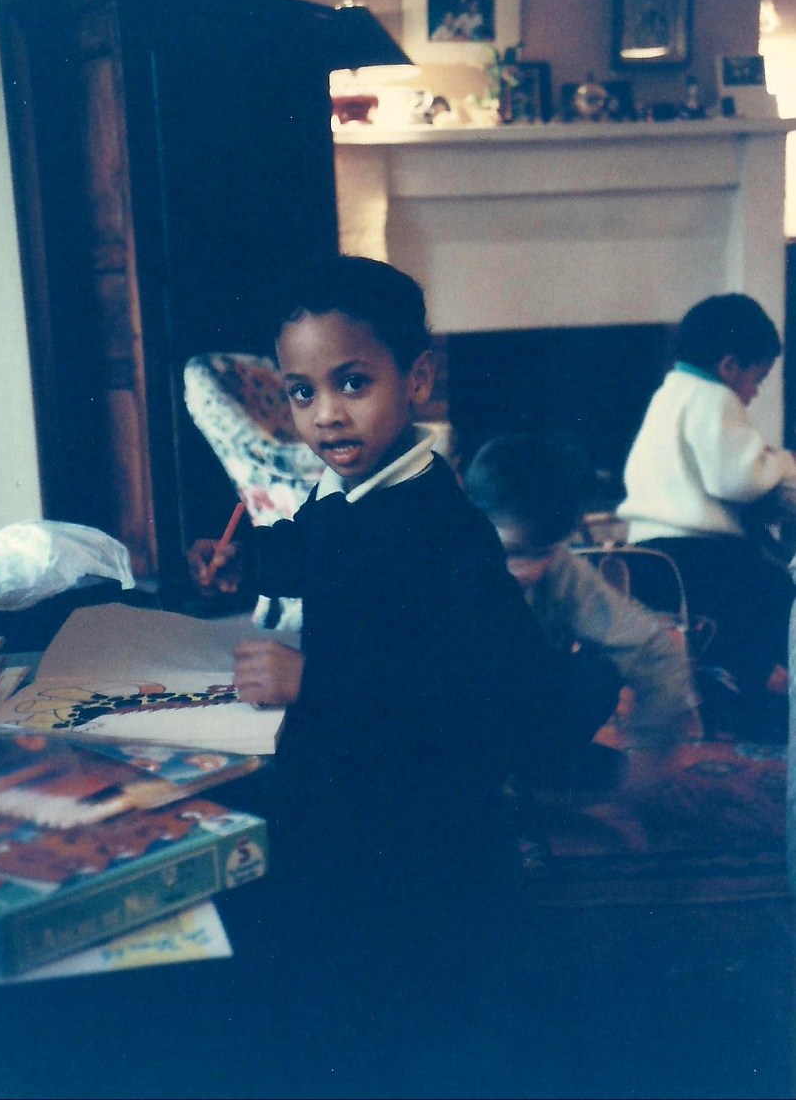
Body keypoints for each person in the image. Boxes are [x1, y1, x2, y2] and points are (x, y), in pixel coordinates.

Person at [190, 256, 553, 1042]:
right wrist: (249, 562)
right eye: (302, 392)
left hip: (421, 814)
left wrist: (313, 679)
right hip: (352, 771)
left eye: (353, 383)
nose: (326, 415)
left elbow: (460, 678)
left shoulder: (437, 522)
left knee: (400, 986)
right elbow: (316, 550)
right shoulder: (347, 488)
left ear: (417, 379)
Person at [463, 431, 702, 793]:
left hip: (514, 717)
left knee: (597, 675)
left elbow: (653, 649)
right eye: (510, 552)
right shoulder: (436, 561)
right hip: (448, 725)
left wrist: (649, 759)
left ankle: (529, 773)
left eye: (540, 554)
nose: (523, 572)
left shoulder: (561, 570)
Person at [616, 292, 796, 739]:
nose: (754, 393)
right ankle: (768, 705)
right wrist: (782, 462)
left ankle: (734, 694)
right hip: (696, 554)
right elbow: (738, 479)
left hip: (648, 555)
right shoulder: (715, 398)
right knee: (778, 591)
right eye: (757, 378)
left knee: (736, 621)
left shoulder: (669, 394)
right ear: (729, 366)